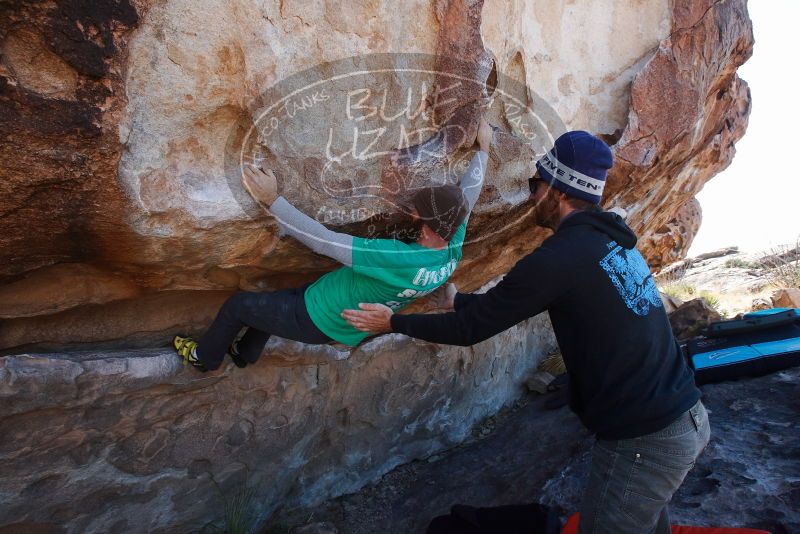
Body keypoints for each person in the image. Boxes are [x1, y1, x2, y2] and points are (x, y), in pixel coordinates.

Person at [342, 130, 709, 534]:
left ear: (558, 190)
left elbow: (469, 331)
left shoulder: (558, 258)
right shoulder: (610, 244)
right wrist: (460, 301)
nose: (531, 196)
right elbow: (504, 306)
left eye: (536, 185)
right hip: (682, 416)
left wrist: (391, 322)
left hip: (645, 439)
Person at [172, 118, 493, 372]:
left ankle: (205, 358)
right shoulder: (452, 244)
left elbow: (327, 242)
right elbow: (470, 193)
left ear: (425, 223)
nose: (410, 212)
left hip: (318, 317)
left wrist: (274, 201)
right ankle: (244, 354)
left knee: (239, 307)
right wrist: (484, 149)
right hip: (331, 308)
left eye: (417, 211)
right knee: (269, 306)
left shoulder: (397, 258)